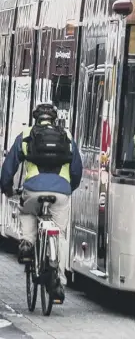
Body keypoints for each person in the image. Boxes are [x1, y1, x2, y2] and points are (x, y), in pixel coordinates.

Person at [0, 103, 83, 302]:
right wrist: (68, 189)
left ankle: (28, 243)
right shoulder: (67, 136)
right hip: (61, 192)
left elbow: (9, 166)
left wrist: (7, 188)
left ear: (36, 118)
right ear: (55, 119)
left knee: (27, 211)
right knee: (60, 234)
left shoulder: (27, 134)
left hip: (33, 189)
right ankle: (59, 282)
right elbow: (77, 169)